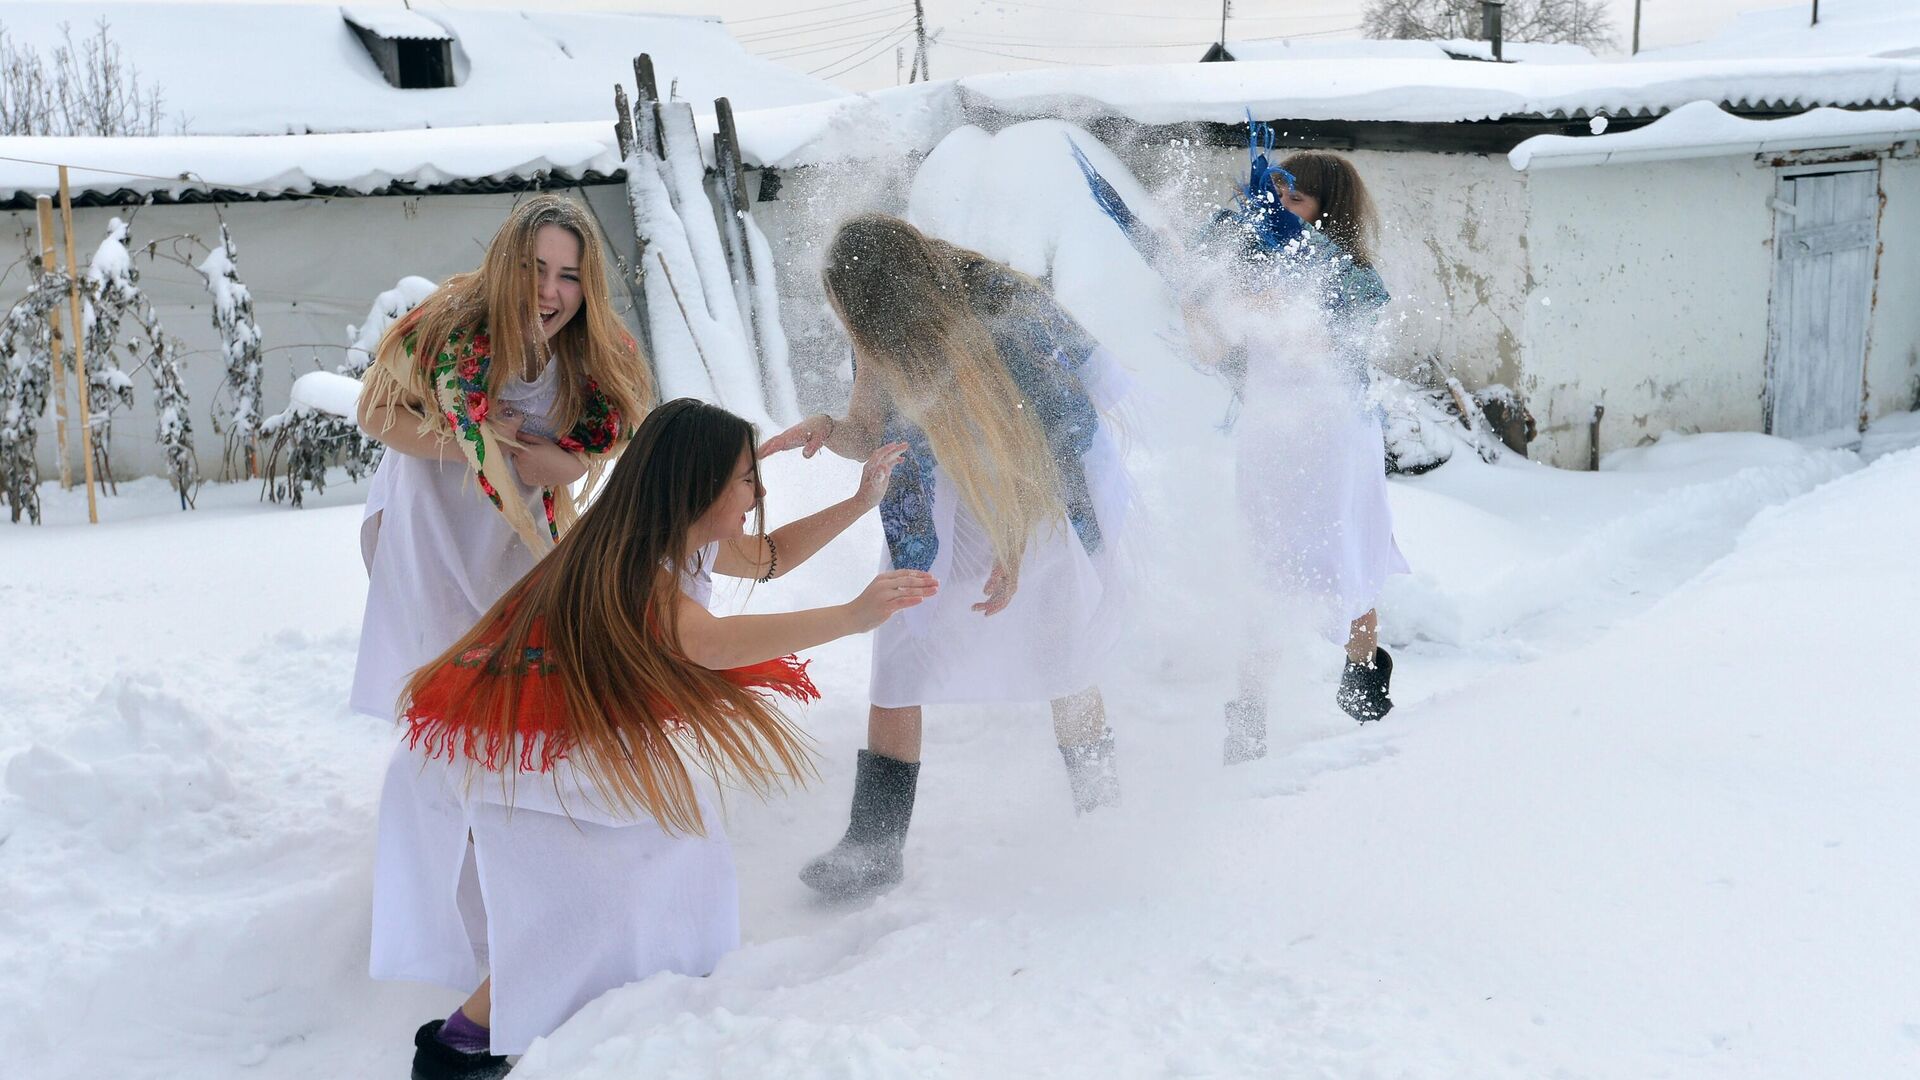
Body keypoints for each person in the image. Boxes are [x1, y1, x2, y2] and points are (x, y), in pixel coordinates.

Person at [374, 398, 936, 1079]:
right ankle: (460, 1049)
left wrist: (858, 500)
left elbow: (772, 556)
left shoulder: (679, 532)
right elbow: (708, 642)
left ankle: (625, 1003)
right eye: (746, 480)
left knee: (663, 859)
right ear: (696, 486)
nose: (759, 494)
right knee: (584, 899)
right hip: (525, 749)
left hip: (563, 734)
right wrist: (852, 615)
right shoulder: (637, 561)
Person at [760, 214, 1133, 900]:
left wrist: (1016, 548)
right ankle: (873, 845)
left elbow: (1045, 443)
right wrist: (828, 430)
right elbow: (869, 430)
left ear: (884, 296)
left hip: (1033, 495)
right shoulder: (884, 328)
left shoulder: (997, 315)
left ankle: (1101, 806)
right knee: (900, 645)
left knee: (1063, 646)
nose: (853, 330)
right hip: (933, 499)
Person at [1194, 148, 1409, 762]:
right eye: (1278, 197)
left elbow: (1322, 344)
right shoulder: (1251, 269)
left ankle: (1363, 675)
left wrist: (1267, 302)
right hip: (1268, 440)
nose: (1282, 210)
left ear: (1326, 208)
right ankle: (1249, 715)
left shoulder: (1350, 276)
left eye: (1297, 200)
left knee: (1347, 555)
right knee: (1262, 564)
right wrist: (1198, 301)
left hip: (1335, 441)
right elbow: (1212, 352)